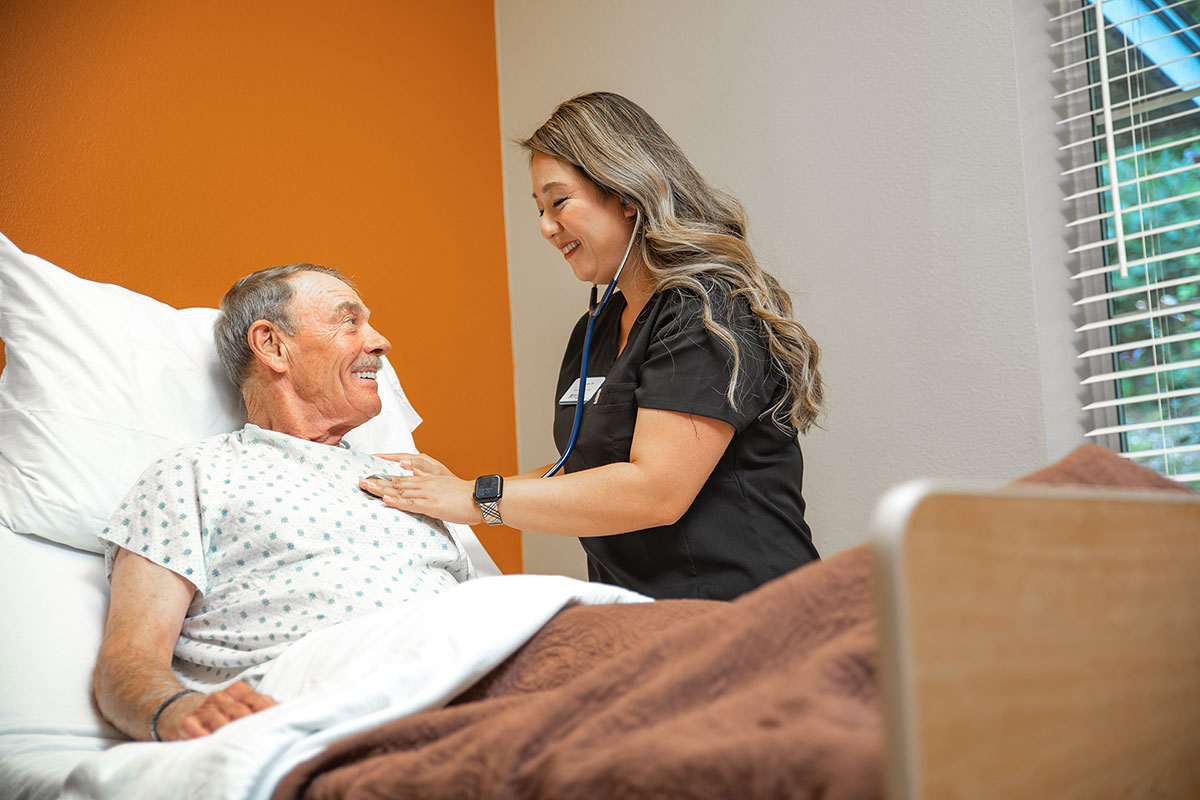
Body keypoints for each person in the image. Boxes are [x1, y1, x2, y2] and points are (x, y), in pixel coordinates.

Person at [362, 91, 823, 601]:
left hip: (749, 614)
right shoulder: (596, 330)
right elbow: (582, 470)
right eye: (539, 209)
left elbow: (655, 491)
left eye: (558, 202)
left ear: (627, 193)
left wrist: (478, 500)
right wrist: (467, 487)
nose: (545, 228)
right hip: (641, 618)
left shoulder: (709, 311)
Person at [93, 264, 477, 742]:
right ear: (272, 346)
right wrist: (180, 711)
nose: (380, 342)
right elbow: (127, 662)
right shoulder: (193, 475)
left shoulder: (414, 482)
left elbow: (482, 612)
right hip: (331, 708)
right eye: (349, 321)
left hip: (477, 680)